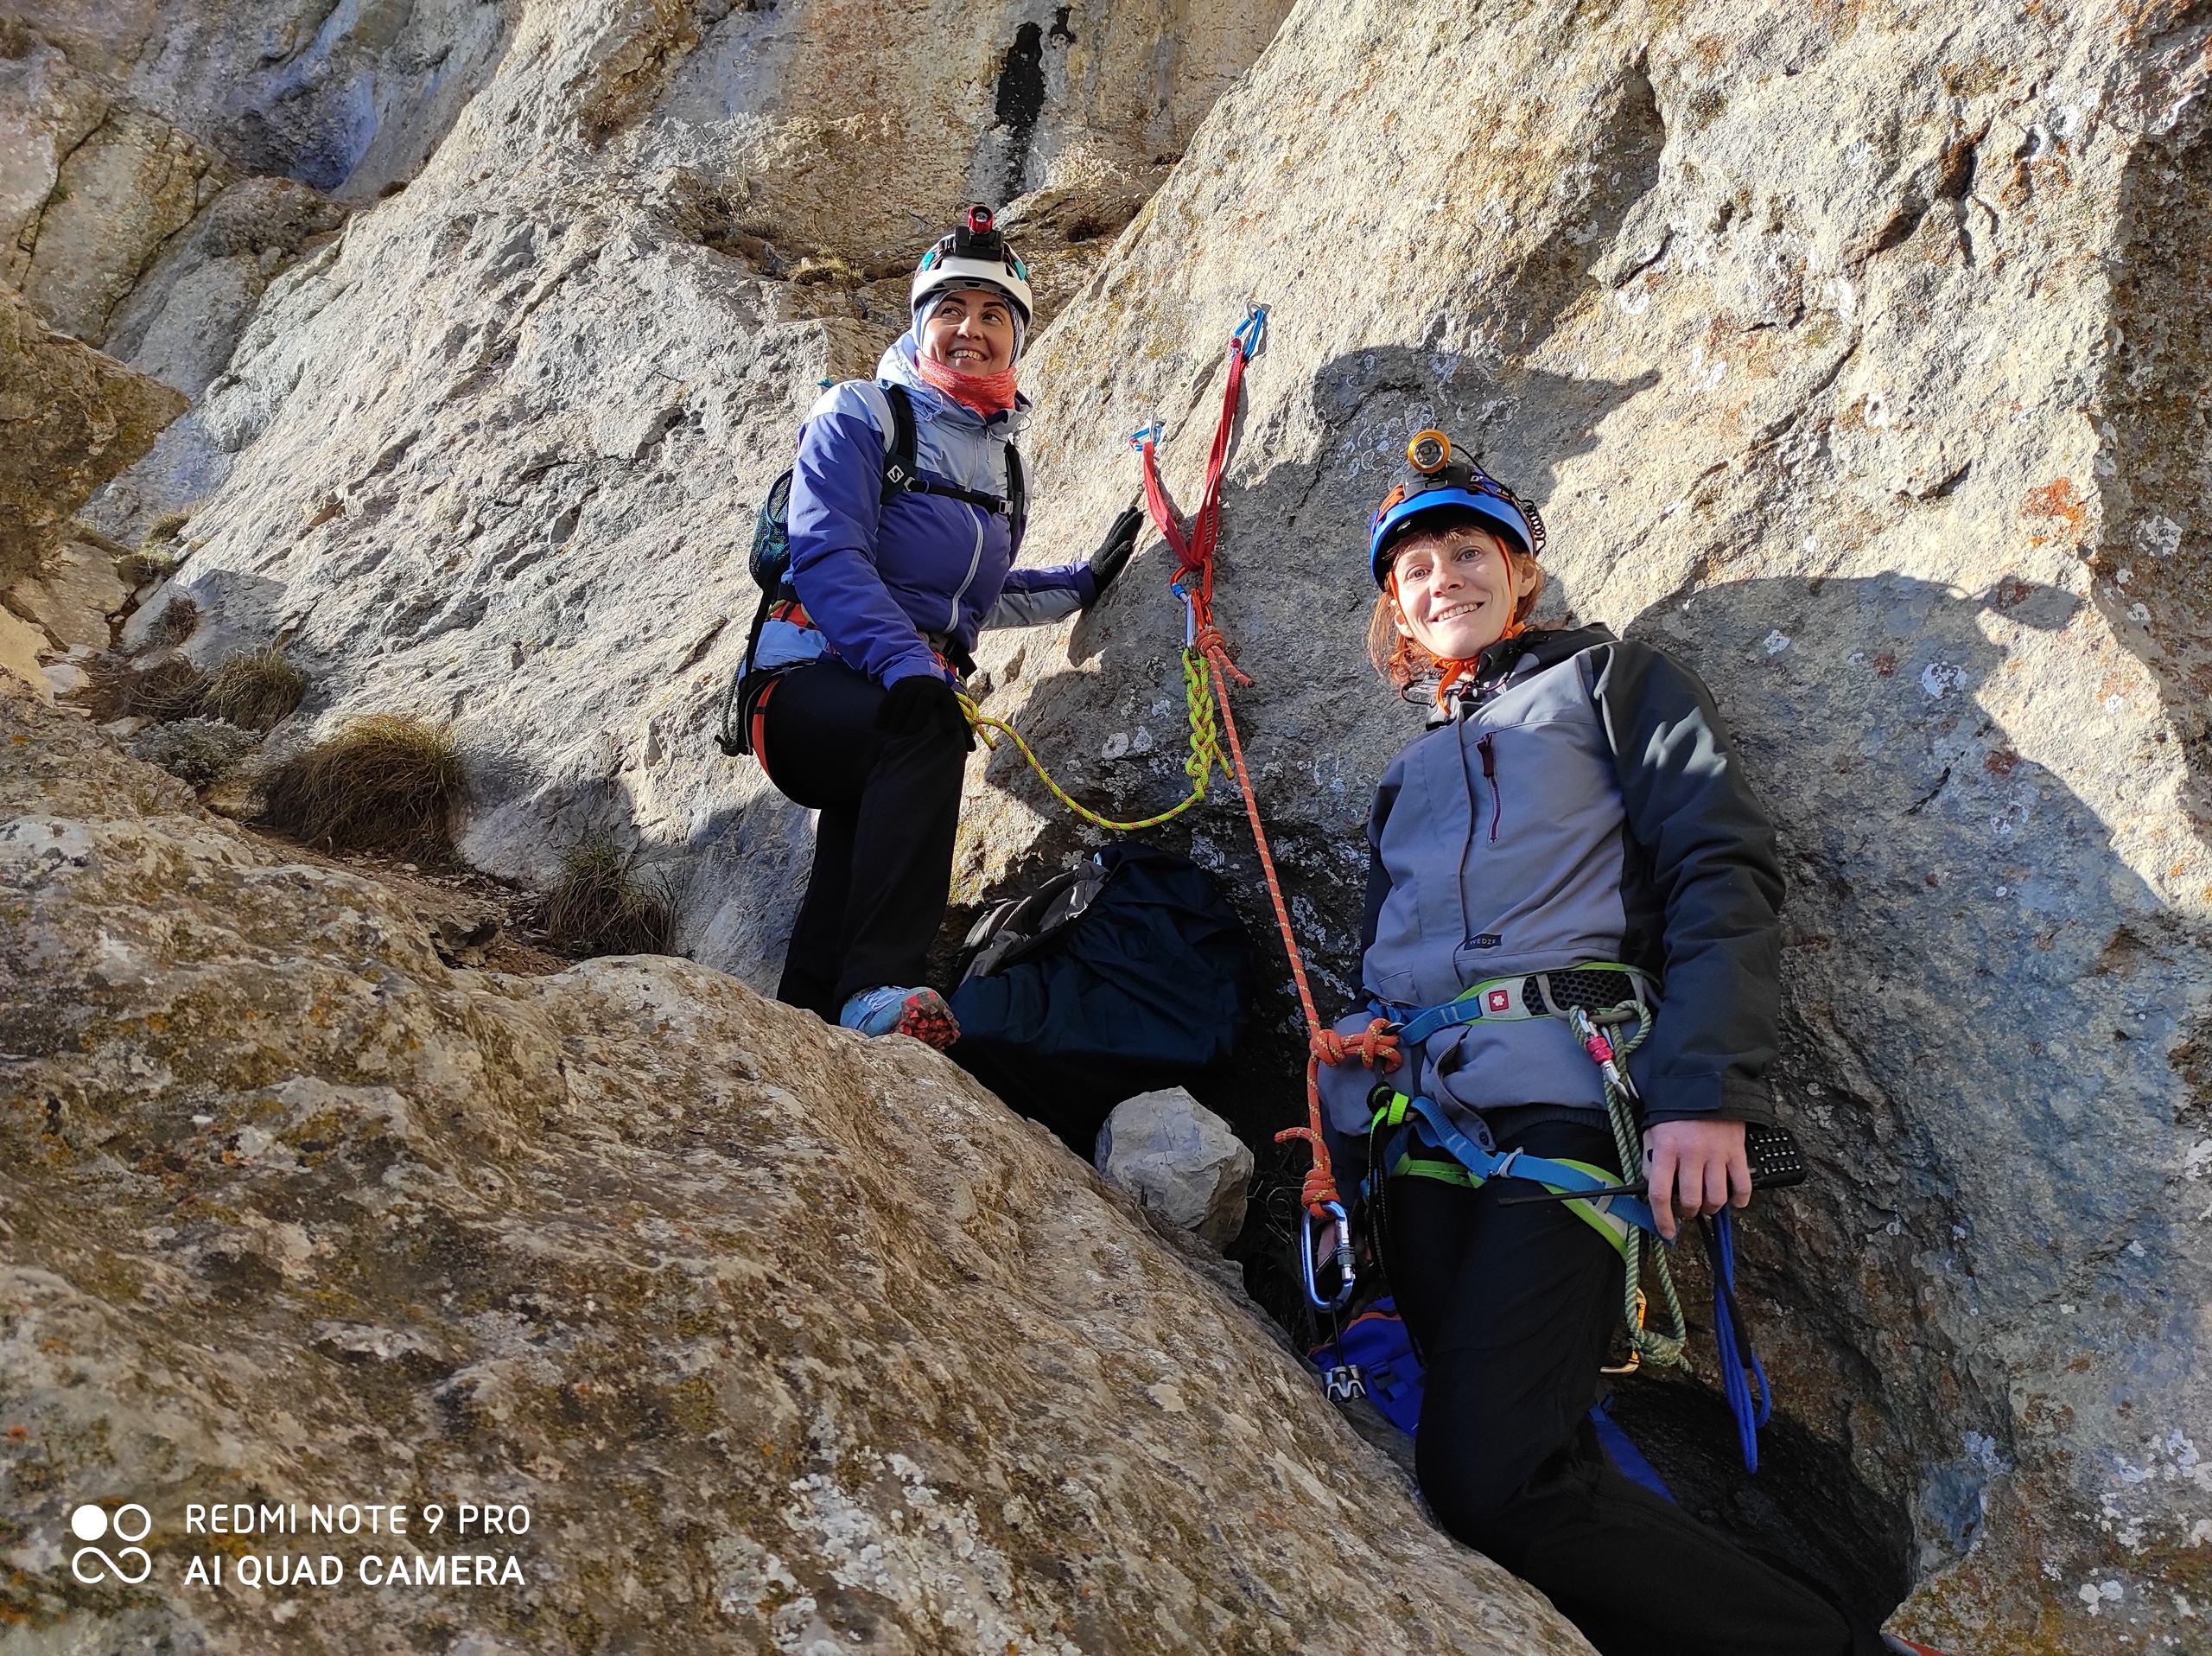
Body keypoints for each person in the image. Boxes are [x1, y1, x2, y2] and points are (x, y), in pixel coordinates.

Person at [1315, 431, 1934, 1655]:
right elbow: (1394, 961)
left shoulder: (1618, 685)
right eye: (1418, 567)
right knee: (1507, 1451)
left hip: (1570, 1111)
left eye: (1468, 550)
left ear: (1522, 571)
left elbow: (1719, 871)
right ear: (1396, 608)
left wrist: (1702, 1095)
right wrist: (1353, 1058)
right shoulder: (1405, 777)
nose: (1445, 576)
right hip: (1425, 1137)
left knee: (1496, 1483)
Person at [747, 206, 1141, 1048]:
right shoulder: (861, 414)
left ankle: (805, 1015)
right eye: (952, 308)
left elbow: (973, 600)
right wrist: (908, 666)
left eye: (994, 313)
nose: (972, 328)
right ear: (922, 323)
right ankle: (879, 986)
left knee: (874, 805)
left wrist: (1081, 584)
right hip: (800, 683)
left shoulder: (1001, 465)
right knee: (926, 725)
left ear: (1017, 337)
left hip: (887, 694)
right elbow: (828, 554)